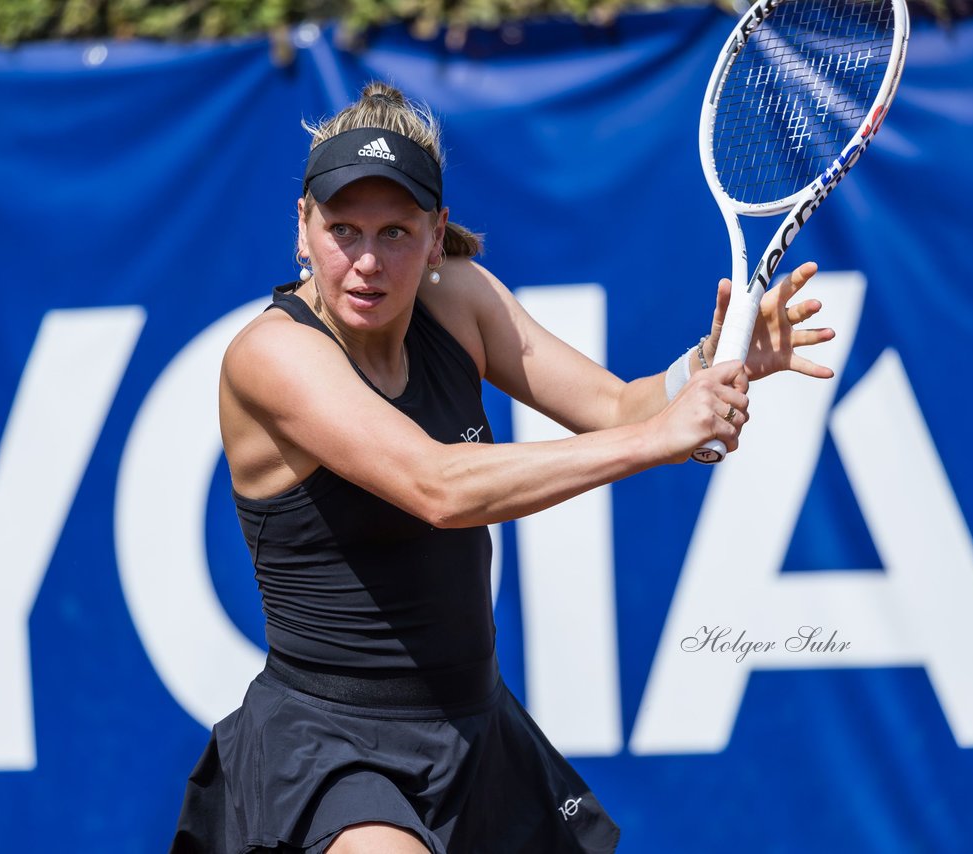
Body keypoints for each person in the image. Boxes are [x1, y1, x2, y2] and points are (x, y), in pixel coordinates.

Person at [170, 81, 834, 854]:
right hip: (332, 747)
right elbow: (439, 488)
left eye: (395, 232)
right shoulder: (271, 356)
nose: (365, 262)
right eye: (342, 229)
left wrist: (707, 368)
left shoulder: (460, 300)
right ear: (302, 228)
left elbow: (619, 407)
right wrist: (664, 440)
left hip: (476, 731)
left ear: (436, 233)